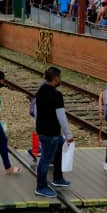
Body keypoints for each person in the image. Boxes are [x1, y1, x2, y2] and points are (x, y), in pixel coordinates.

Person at [34, 67, 73, 198]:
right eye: (60, 77)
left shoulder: (40, 92)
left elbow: (36, 112)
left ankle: (58, 178)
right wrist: (68, 134)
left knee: (58, 150)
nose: (60, 79)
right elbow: (61, 116)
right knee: (45, 159)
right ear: (56, 78)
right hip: (51, 132)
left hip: (42, 130)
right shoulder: (56, 95)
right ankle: (41, 187)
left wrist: (38, 126)